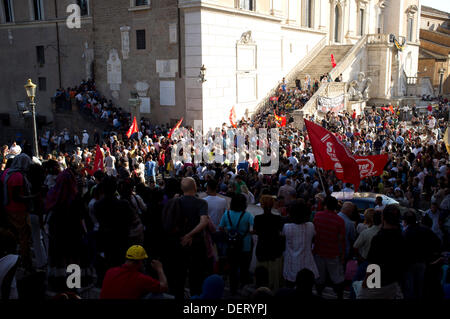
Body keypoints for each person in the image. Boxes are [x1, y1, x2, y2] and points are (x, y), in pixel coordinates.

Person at [162, 177, 210, 299]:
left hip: (178, 243)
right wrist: (190, 235)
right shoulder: (201, 203)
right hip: (196, 243)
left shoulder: (175, 201)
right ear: (195, 187)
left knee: (179, 276)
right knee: (196, 277)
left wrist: (184, 236)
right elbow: (204, 222)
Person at [357, 205, 406, 299]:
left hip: (377, 282)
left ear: (383, 218)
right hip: (392, 281)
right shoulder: (400, 236)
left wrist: (366, 281)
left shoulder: (379, 238)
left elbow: (373, 264)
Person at [1, 153, 34, 270]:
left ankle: (13, 260)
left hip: (7, 209)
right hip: (18, 211)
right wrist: (32, 197)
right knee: (24, 238)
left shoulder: (6, 172)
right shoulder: (18, 176)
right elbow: (16, 196)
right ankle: (26, 263)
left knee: (13, 237)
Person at [100, 245, 168, 299]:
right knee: (157, 294)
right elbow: (164, 287)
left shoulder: (110, 271)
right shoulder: (140, 278)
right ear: (140, 262)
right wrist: (159, 269)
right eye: (143, 261)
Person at [219, 193, 254, 295]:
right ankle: (243, 287)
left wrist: (229, 231)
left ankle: (232, 288)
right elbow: (253, 230)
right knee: (244, 267)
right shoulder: (247, 215)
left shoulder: (227, 214)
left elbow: (221, 227)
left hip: (231, 244)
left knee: (232, 267)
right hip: (245, 245)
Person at [402, 211, 441, 299]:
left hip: (410, 264)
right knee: (419, 287)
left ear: (405, 221)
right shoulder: (424, 230)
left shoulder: (405, 233)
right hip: (422, 262)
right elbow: (437, 242)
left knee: (410, 288)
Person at [313, 195, 346, 299]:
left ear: (325, 205)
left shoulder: (317, 216)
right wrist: (342, 255)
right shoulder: (339, 220)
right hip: (333, 253)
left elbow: (314, 234)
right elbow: (341, 240)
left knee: (320, 277)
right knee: (337, 278)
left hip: (319, 251)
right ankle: (340, 296)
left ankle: (319, 294)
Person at [282, 199, 319, 287]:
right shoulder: (310, 226)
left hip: (291, 264)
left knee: (290, 287)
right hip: (307, 263)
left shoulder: (286, 227)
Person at [253, 195, 283, 290]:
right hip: (274, 248)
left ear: (262, 205)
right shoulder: (277, 218)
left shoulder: (258, 218)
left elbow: (256, 232)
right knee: (273, 274)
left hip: (262, 247)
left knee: (262, 273)